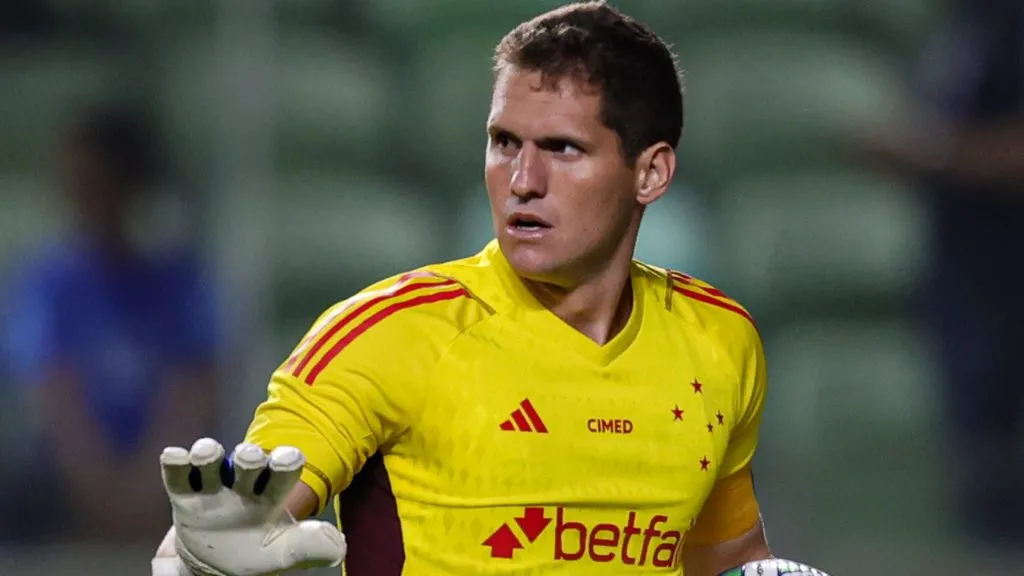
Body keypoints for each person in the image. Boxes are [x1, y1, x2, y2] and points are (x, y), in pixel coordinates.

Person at [154, 3, 792, 574]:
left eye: (562, 149)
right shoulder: (390, 333)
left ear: (649, 172)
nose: (522, 179)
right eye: (503, 142)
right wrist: (195, 558)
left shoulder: (719, 340)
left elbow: (729, 558)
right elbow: (235, 526)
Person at [2, 104, 221, 542]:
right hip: (67, 487)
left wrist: (147, 490)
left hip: (169, 487)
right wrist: (99, 490)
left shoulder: (184, 284)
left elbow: (195, 392)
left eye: (96, 182)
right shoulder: (49, 285)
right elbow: (53, 398)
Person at [858, 0, 1024, 547]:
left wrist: (934, 156)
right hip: (964, 267)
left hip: (1009, 273)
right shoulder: (970, 27)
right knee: (976, 470)